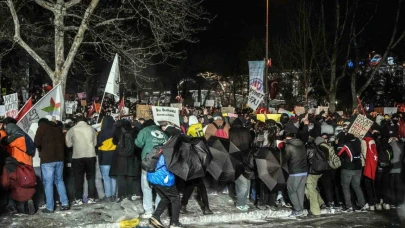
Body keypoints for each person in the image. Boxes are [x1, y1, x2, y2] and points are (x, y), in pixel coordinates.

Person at [34, 117, 69, 213]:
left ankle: (50, 207)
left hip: (47, 160)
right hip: (60, 159)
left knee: (48, 183)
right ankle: (65, 203)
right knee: (59, 181)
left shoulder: (42, 127)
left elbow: (36, 143)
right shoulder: (58, 129)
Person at [1, 118, 35, 214]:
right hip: (28, 164)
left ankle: (12, 206)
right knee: (27, 184)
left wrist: (2, 132)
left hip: (18, 164)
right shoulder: (25, 136)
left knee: (12, 185)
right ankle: (28, 200)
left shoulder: (14, 138)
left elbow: (3, 143)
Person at [135, 119, 168, 219]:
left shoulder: (144, 131)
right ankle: (158, 210)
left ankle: (148, 211)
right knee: (159, 187)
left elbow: (138, 143)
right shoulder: (163, 132)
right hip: (161, 163)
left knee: (146, 187)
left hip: (148, 162)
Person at [66, 116, 98, 206]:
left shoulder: (72, 129)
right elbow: (95, 143)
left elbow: (68, 144)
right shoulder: (91, 129)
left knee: (78, 178)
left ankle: (78, 199)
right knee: (91, 178)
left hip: (77, 156)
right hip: (91, 155)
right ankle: (91, 198)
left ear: (76, 121)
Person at [110, 120, 142, 202]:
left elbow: (114, 142)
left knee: (121, 177)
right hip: (132, 157)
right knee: (130, 177)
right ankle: (129, 195)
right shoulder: (134, 132)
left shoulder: (117, 131)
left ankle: (121, 196)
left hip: (120, 157)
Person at [337, 134, 366, 212]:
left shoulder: (346, 145)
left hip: (348, 168)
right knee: (357, 186)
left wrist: (340, 142)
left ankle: (348, 206)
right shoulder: (358, 142)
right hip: (358, 167)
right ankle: (362, 204)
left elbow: (339, 153)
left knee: (345, 187)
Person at [284, 122, 307, 217]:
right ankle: (301, 208)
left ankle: (297, 209)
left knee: (291, 190)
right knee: (300, 191)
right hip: (304, 171)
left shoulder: (288, 147)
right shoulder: (301, 144)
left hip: (294, 172)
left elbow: (285, 159)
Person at [229, 118, 252, 211]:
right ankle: (242, 201)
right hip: (246, 157)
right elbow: (250, 142)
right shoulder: (246, 131)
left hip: (234, 157)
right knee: (246, 180)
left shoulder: (230, 131)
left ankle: (240, 202)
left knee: (239, 181)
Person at [97, 116, 117, 202]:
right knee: (113, 177)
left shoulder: (101, 133)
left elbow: (97, 144)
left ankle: (108, 195)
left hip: (104, 157)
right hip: (114, 157)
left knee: (106, 177)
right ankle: (114, 195)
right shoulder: (116, 132)